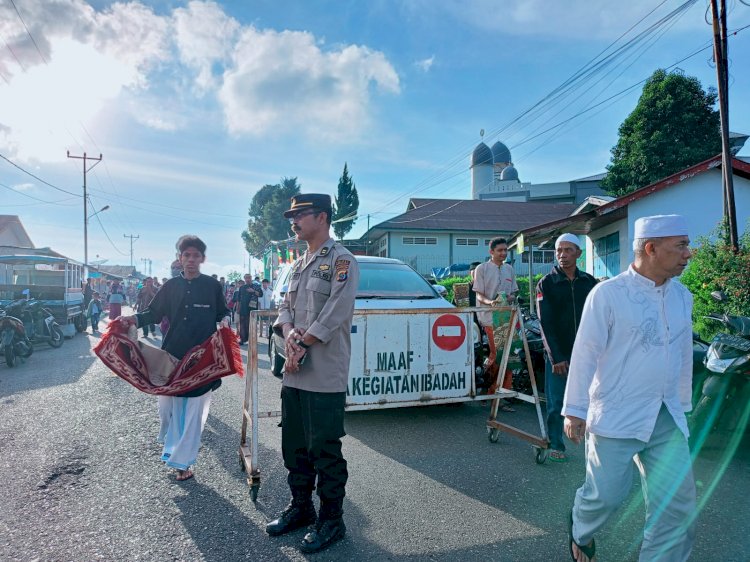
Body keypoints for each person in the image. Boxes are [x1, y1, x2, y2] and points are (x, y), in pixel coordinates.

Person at [563, 215, 695, 562]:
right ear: (650, 248)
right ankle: (580, 528)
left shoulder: (683, 296)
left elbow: (682, 353)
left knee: (677, 506)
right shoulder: (608, 294)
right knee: (605, 496)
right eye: (680, 245)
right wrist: (575, 410)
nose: (689, 253)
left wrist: (683, 405)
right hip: (616, 412)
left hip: (665, 414)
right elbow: (585, 352)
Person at [267, 194, 359, 554]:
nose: (293, 221)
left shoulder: (341, 260)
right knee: (295, 446)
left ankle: (332, 519)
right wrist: (289, 334)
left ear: (322, 217)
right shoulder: (298, 263)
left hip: (323, 372)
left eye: (299, 215)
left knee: (325, 449)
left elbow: (337, 309)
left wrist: (303, 341)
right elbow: (284, 307)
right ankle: (301, 508)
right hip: (294, 371)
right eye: (292, 215)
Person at [119, 235, 230, 482]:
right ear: (180, 258)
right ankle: (173, 449)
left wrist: (225, 321)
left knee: (193, 409)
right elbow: (153, 313)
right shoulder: (170, 287)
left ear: (203, 259)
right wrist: (133, 320)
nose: (191, 260)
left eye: (196, 256)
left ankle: (183, 462)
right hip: (172, 356)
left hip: (203, 358)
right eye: (186, 255)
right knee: (168, 409)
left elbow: (224, 312)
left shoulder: (212, 286)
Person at [535, 233, 597, 463]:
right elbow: (545, 324)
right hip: (558, 356)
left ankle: (593, 444)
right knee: (557, 402)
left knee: (592, 400)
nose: (563, 255)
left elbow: (598, 320)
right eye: (559, 250)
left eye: (568, 250)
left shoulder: (589, 283)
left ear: (579, 254)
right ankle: (556, 443)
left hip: (586, 354)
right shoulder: (546, 283)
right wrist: (556, 357)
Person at [473, 238, 518, 409]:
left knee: (511, 355)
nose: (504, 253)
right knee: (499, 355)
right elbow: (478, 295)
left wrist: (508, 298)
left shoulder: (509, 269)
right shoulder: (482, 269)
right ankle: (493, 393)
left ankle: (499, 393)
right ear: (491, 252)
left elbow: (513, 292)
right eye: (500, 250)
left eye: (505, 250)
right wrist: (491, 302)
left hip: (507, 317)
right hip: (490, 318)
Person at [237, 273, 262, 345]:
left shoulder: (256, 286)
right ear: (244, 279)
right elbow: (238, 299)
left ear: (251, 278)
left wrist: (253, 291)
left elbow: (260, 295)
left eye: (249, 278)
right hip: (243, 308)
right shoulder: (242, 287)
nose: (247, 279)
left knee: (251, 324)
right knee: (242, 324)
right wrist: (238, 308)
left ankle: (252, 340)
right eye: (246, 278)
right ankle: (242, 339)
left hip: (252, 309)